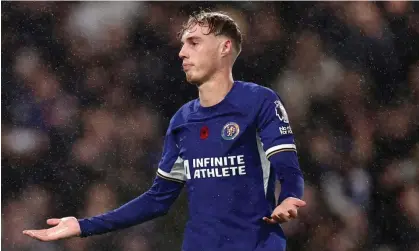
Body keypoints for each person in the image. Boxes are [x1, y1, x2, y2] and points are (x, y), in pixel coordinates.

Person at [23, 11, 306, 251]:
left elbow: (287, 167)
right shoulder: (182, 120)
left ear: (225, 47)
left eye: (194, 43)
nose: (182, 52)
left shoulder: (259, 102)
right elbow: (157, 200)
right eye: (183, 44)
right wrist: (83, 226)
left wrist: (290, 196)